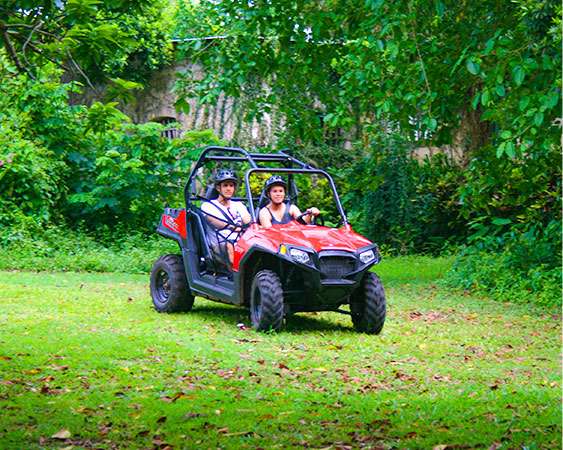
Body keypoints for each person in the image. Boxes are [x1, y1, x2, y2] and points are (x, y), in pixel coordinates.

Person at [201, 169, 251, 265]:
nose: (228, 189)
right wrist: (233, 226)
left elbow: (247, 220)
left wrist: (244, 225)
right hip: (219, 244)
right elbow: (217, 223)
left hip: (240, 240)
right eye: (225, 185)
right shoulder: (208, 206)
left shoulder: (239, 205)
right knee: (230, 245)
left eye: (231, 186)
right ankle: (235, 275)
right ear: (218, 188)